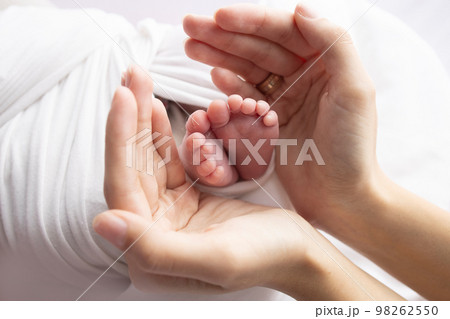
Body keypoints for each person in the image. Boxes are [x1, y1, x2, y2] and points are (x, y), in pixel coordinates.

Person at [94, 3, 450, 300]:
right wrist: (351, 198)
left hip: (258, 165)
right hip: (286, 141)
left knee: (210, 118)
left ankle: (221, 166)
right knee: (216, 99)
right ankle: (226, 160)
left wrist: (306, 262)